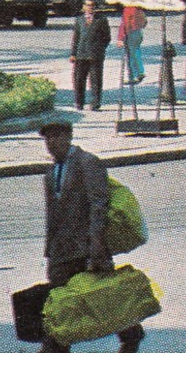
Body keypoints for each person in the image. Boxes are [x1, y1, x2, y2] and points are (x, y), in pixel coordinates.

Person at [37, 118, 145, 353]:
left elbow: (99, 205)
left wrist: (97, 245)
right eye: (47, 139)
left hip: (87, 245)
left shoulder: (87, 162)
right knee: (59, 299)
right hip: (61, 250)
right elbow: (52, 215)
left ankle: (131, 333)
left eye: (56, 137)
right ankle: (54, 347)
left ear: (69, 137)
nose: (51, 143)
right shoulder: (50, 172)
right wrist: (49, 251)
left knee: (103, 297)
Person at [70, 0, 112, 110]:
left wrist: (99, 48)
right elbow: (76, 38)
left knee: (96, 80)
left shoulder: (101, 19)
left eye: (92, 5)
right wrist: (73, 53)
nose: (90, 7)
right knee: (79, 80)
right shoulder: (79, 20)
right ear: (83, 7)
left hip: (95, 55)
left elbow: (107, 37)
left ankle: (95, 103)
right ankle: (79, 103)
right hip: (81, 54)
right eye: (88, 5)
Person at [118, 5, 147, 86]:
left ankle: (133, 76)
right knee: (136, 52)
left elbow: (125, 25)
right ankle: (140, 72)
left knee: (130, 55)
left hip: (130, 33)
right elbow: (145, 22)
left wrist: (120, 38)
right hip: (138, 32)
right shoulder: (139, 9)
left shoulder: (128, 9)